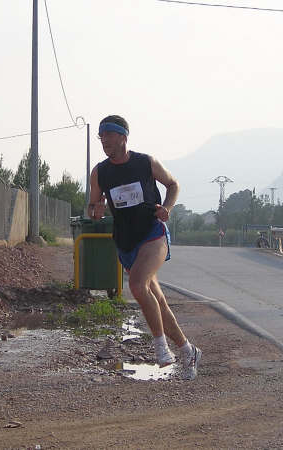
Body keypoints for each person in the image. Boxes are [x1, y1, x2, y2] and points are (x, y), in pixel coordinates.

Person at [88, 114, 202, 379]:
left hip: (153, 234)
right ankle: (188, 350)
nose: (104, 141)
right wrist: (97, 209)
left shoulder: (146, 162)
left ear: (123, 138)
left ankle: (162, 349)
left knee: (138, 285)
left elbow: (173, 184)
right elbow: (93, 208)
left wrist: (168, 208)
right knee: (157, 301)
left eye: (109, 136)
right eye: (101, 137)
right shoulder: (100, 172)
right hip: (126, 242)